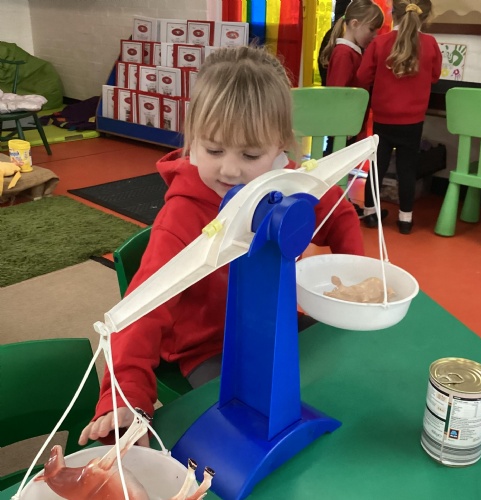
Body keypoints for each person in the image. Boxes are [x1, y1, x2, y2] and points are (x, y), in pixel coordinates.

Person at [79, 45, 365, 447]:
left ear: (280, 147)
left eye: (251, 154)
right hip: (211, 349)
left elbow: (338, 213)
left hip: (279, 325)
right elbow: (143, 309)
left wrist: (356, 281)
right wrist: (124, 395)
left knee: (350, 377)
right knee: (251, 430)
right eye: (213, 150)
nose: (230, 170)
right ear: (193, 138)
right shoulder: (182, 218)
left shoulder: (287, 182)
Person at [356, 0, 442, 234]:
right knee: (407, 169)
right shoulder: (431, 44)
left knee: (377, 167)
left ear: (392, 13)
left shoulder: (380, 42)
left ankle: (371, 213)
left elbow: (363, 77)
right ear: (425, 17)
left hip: (383, 118)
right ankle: (405, 219)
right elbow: (434, 76)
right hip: (412, 121)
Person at [319, 0, 384, 156]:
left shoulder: (352, 52)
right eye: (371, 29)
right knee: (335, 163)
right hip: (342, 128)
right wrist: (344, 124)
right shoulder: (344, 53)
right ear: (355, 24)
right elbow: (337, 94)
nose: (374, 36)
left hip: (348, 126)